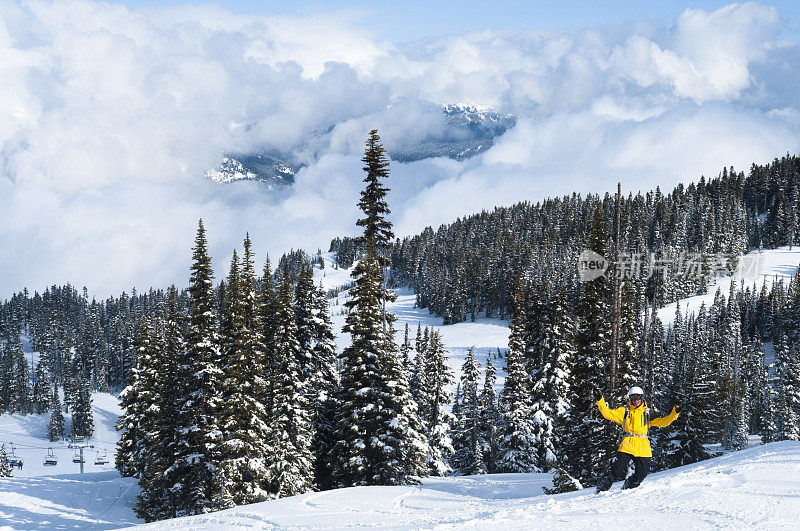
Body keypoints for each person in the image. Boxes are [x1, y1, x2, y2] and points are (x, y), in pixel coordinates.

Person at [595, 385, 678, 492]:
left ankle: (629, 487)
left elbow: (663, 422)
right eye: (633, 398)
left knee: (642, 472)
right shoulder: (624, 411)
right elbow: (607, 414)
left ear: (642, 397)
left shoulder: (648, 412)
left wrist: (674, 414)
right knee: (617, 469)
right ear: (630, 398)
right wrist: (600, 400)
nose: (636, 401)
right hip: (628, 444)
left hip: (643, 446)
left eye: (638, 398)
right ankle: (601, 489)